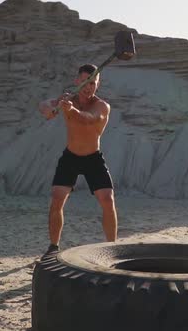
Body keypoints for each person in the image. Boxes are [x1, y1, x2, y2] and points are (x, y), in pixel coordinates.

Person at [38, 64, 118, 257]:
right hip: (71, 156)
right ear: (77, 81)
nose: (88, 86)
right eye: (85, 81)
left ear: (97, 85)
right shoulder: (68, 99)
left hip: (93, 158)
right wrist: (52, 107)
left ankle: (112, 248)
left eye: (93, 83)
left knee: (107, 200)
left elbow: (89, 119)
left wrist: (70, 110)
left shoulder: (102, 106)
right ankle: (53, 247)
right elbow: (43, 107)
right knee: (57, 199)